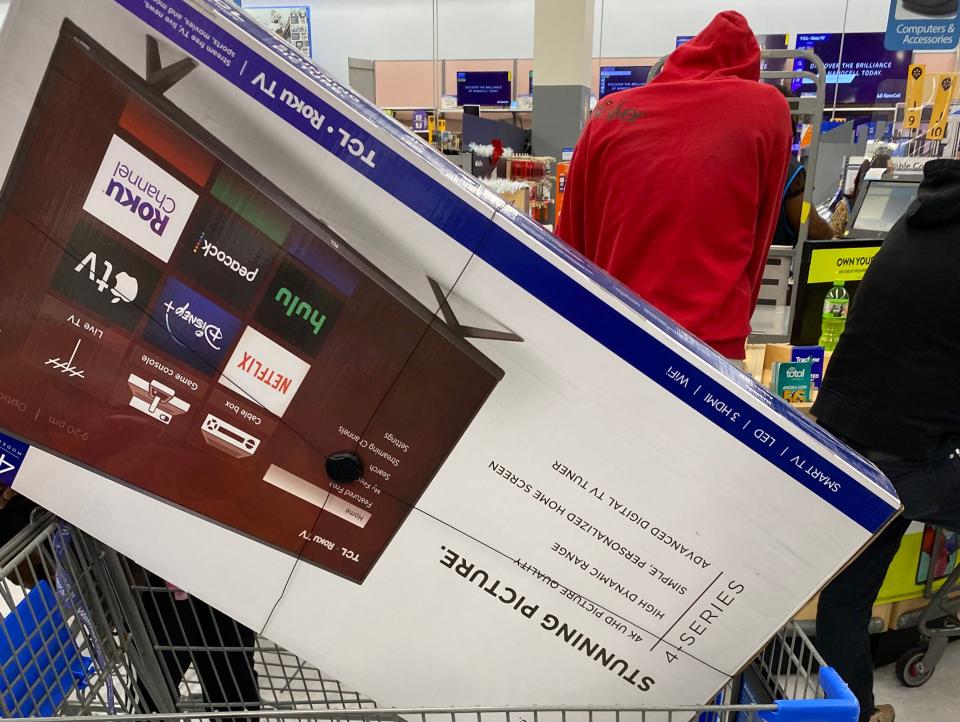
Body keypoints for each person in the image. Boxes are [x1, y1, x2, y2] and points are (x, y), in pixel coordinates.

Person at [813, 158, 960, 722]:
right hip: (911, 452)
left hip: (846, 434)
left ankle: (854, 714)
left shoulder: (922, 216)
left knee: (846, 599)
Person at [556, 11, 791, 362]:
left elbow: (570, 242)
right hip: (710, 346)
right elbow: (760, 239)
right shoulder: (767, 109)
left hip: (615, 330)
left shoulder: (609, 111)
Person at [830, 150, 895, 238]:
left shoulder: (891, 203)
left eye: (893, 170)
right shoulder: (847, 205)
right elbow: (833, 236)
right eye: (890, 170)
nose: (892, 174)